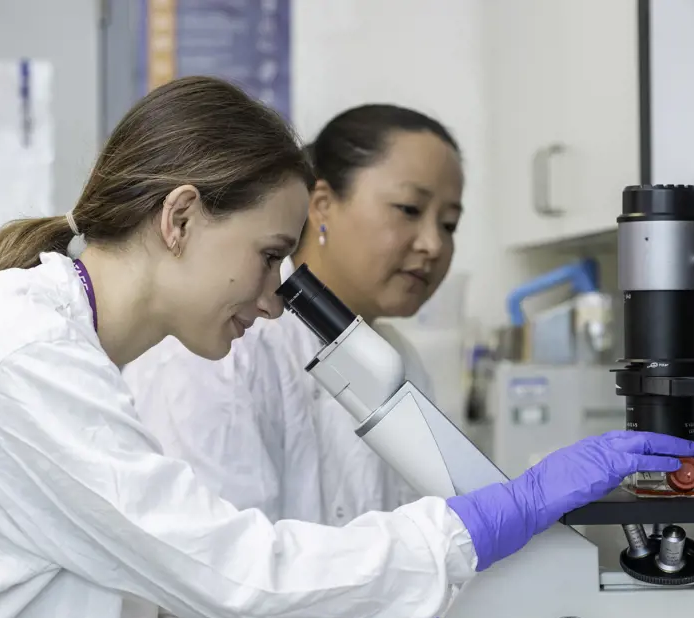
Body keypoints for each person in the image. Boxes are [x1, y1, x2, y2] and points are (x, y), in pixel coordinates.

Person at [0, 75, 694, 618]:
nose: (273, 299)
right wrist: (482, 523)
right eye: (268, 258)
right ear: (180, 217)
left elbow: (169, 602)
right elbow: (238, 576)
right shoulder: (23, 356)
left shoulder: (53, 344)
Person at [123, 104, 467, 536]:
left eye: (450, 224)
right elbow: (226, 565)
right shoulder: (222, 337)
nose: (433, 244)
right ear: (321, 203)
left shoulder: (400, 362)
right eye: (409, 209)